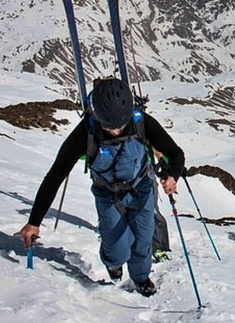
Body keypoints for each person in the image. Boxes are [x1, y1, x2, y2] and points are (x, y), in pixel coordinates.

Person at [19, 78, 185, 297]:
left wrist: (172, 176)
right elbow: (55, 177)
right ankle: (113, 261)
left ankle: (141, 277)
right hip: (108, 193)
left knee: (143, 239)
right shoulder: (84, 134)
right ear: (97, 116)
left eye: (120, 125)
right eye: (109, 126)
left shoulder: (142, 122)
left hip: (142, 188)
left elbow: (175, 153)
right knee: (117, 249)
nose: (115, 131)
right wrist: (34, 222)